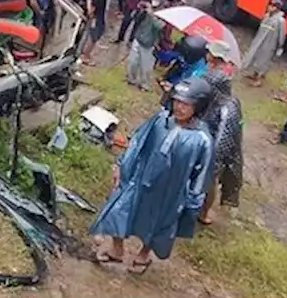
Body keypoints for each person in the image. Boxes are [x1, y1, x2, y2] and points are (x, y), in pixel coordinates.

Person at [92, 77, 215, 274]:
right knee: (121, 210)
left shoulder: (202, 140)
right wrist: (122, 167)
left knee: (158, 226)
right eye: (177, 101)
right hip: (141, 180)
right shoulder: (160, 121)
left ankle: (144, 254)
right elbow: (137, 143)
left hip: (170, 192)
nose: (180, 107)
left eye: (186, 104)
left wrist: (193, 204)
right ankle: (117, 248)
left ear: (198, 106)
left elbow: (201, 176)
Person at [198, 69, 243, 224]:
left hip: (216, 151)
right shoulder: (209, 99)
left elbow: (224, 139)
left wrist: (211, 161)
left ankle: (204, 212)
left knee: (209, 182)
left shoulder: (228, 109)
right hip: (201, 141)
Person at [242, 0, 287, 87]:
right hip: (259, 41)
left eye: (272, 6)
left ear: (277, 8)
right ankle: (254, 75)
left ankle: (259, 80)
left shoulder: (280, 21)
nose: (269, 7)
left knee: (263, 61)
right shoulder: (266, 16)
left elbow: (282, 35)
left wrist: (280, 47)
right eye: (270, 5)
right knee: (256, 58)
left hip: (270, 44)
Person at [126, 0, 164, 88]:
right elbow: (134, 19)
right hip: (138, 38)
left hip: (149, 43)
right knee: (133, 61)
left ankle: (145, 85)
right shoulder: (146, 10)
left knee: (146, 66)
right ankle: (131, 79)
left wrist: (152, 15)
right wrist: (140, 10)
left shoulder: (163, 13)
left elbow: (160, 26)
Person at [80, 0, 111, 64]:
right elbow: (93, 5)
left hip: (96, 16)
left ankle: (84, 53)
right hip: (97, 17)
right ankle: (86, 56)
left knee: (89, 35)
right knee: (93, 37)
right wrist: (92, 15)